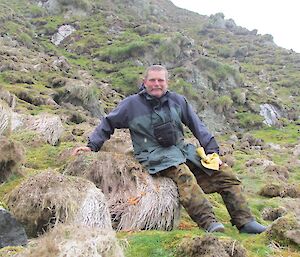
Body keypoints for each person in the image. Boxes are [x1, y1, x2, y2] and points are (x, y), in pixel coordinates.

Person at [73, 65, 266, 234]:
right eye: (152, 80)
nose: (157, 84)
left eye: (161, 80)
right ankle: (208, 222)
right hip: (153, 155)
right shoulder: (131, 104)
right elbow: (108, 123)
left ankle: (245, 221)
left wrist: (211, 151)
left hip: (182, 151)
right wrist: (92, 146)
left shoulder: (178, 100)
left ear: (167, 82)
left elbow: (198, 126)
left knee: (225, 174)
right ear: (144, 82)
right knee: (184, 175)